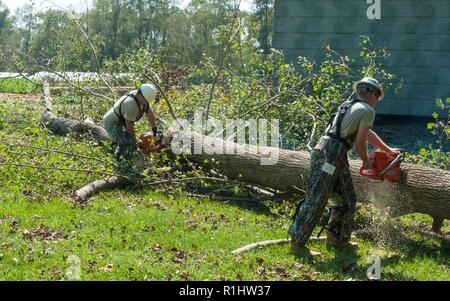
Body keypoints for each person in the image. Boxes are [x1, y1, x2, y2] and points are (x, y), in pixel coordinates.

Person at [288, 77, 401, 254]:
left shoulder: (350, 105)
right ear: (373, 94)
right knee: (317, 198)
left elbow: (366, 133)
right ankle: (297, 243)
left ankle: (337, 240)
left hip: (332, 153)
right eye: (377, 99)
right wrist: (366, 161)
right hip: (330, 155)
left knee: (347, 199)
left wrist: (387, 150)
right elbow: (360, 142)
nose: (376, 103)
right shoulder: (367, 110)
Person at [102, 83, 159, 177]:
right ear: (141, 96)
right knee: (125, 143)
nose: (146, 102)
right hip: (112, 123)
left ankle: (132, 162)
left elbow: (149, 113)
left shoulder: (143, 98)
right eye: (146, 100)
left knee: (130, 143)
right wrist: (135, 141)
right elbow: (129, 126)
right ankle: (122, 168)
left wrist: (154, 130)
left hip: (122, 121)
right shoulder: (131, 104)